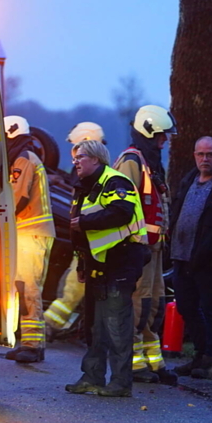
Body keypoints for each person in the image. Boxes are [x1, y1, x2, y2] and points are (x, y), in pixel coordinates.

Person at [64, 139, 148, 397]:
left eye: (81, 157)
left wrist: (86, 222)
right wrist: (80, 262)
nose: (75, 162)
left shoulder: (116, 182)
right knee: (95, 325)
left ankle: (121, 383)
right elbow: (77, 230)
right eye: (75, 157)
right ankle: (92, 377)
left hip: (121, 261)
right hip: (97, 264)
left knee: (116, 325)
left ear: (96, 159)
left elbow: (121, 213)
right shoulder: (84, 187)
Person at [114, 105, 178, 385]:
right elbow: (122, 206)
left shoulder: (150, 162)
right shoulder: (132, 161)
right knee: (138, 306)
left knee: (154, 305)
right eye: (162, 136)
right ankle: (133, 362)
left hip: (154, 249)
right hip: (138, 248)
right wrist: (133, 244)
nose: (164, 142)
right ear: (148, 131)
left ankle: (153, 361)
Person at [168, 136, 212, 379]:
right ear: (194, 155)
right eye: (200, 154)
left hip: (208, 262)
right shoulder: (188, 179)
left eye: (210, 154)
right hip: (181, 257)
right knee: (187, 307)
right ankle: (199, 355)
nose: (204, 159)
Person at [43, 121, 106, 334]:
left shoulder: (94, 167)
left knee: (74, 284)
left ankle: (51, 325)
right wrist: (59, 181)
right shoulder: (96, 164)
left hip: (92, 238)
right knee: (74, 281)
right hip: (89, 237)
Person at [3, 115, 55, 363]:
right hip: (29, 232)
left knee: (29, 289)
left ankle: (33, 345)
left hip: (30, 232)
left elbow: (17, 197)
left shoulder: (23, 159)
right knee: (23, 287)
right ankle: (29, 342)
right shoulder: (28, 155)